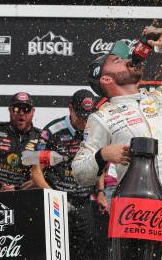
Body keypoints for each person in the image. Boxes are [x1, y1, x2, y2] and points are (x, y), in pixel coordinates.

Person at [72, 26, 162, 259]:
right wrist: (102, 155)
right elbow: (81, 173)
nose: (128, 59)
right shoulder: (101, 117)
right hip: (137, 215)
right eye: (117, 60)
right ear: (105, 77)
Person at [31, 89, 107, 258]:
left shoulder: (95, 130)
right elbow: (36, 172)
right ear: (70, 109)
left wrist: (100, 193)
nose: (85, 121)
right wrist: (55, 198)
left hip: (84, 203)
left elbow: (99, 165)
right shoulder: (51, 132)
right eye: (81, 116)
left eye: (88, 116)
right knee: (54, 253)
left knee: (83, 252)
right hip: (57, 203)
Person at [0, 92, 41, 191]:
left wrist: (38, 180)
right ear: (10, 110)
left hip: (25, 196)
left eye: (26, 109)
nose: (21, 113)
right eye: (16, 109)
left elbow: (51, 169)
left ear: (33, 111)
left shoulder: (41, 137)